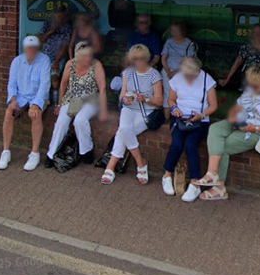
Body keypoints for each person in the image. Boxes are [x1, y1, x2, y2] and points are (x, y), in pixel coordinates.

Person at [192, 64, 260, 201]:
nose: (252, 89)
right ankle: (212, 173)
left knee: (223, 146)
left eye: (256, 87)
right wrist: (235, 119)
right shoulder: (251, 88)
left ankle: (219, 188)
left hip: (257, 131)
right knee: (215, 128)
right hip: (243, 124)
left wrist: (253, 128)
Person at [101, 44, 162, 186]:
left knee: (123, 132)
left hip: (146, 111)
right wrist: (125, 100)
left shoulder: (154, 74)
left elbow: (158, 100)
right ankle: (141, 163)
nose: (138, 62)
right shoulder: (127, 73)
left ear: (147, 58)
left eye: (141, 58)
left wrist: (146, 99)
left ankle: (110, 166)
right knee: (124, 130)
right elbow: (122, 96)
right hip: (129, 109)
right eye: (135, 59)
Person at [44, 43, 108, 168]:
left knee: (80, 120)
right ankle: (51, 154)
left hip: (90, 99)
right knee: (61, 122)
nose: (87, 59)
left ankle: (86, 151)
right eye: (84, 56)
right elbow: (63, 84)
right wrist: (59, 104)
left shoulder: (96, 65)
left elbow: (102, 88)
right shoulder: (70, 64)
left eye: (89, 55)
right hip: (72, 98)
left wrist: (104, 110)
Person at [163, 56, 218, 200]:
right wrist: (174, 108)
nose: (188, 79)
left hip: (199, 119)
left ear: (197, 71)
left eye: (191, 76)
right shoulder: (177, 78)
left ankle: (195, 184)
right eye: (185, 75)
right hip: (179, 118)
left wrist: (201, 114)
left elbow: (213, 105)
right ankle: (167, 175)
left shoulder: (207, 80)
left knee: (190, 145)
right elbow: (170, 99)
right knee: (176, 144)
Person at [0, 35, 51, 171]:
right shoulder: (16, 61)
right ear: (24, 49)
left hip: (38, 96)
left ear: (37, 49)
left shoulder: (44, 60)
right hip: (21, 96)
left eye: (33, 48)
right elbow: (12, 83)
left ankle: (34, 153)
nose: (31, 51)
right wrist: (13, 100)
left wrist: (36, 104)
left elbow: (44, 85)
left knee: (35, 114)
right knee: (9, 112)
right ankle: (6, 152)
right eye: (28, 48)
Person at [221, 22, 260, 89]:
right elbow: (237, 63)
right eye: (254, 32)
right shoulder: (246, 48)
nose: (257, 35)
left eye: (259, 33)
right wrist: (228, 79)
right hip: (252, 85)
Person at [37, 10, 73, 95]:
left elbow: (65, 46)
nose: (59, 20)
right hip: (44, 57)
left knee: (55, 78)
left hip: (58, 58)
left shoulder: (67, 27)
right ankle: (43, 100)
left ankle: (55, 101)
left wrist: (57, 61)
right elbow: (39, 40)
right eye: (57, 17)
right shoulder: (47, 25)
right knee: (42, 79)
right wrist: (50, 32)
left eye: (61, 17)